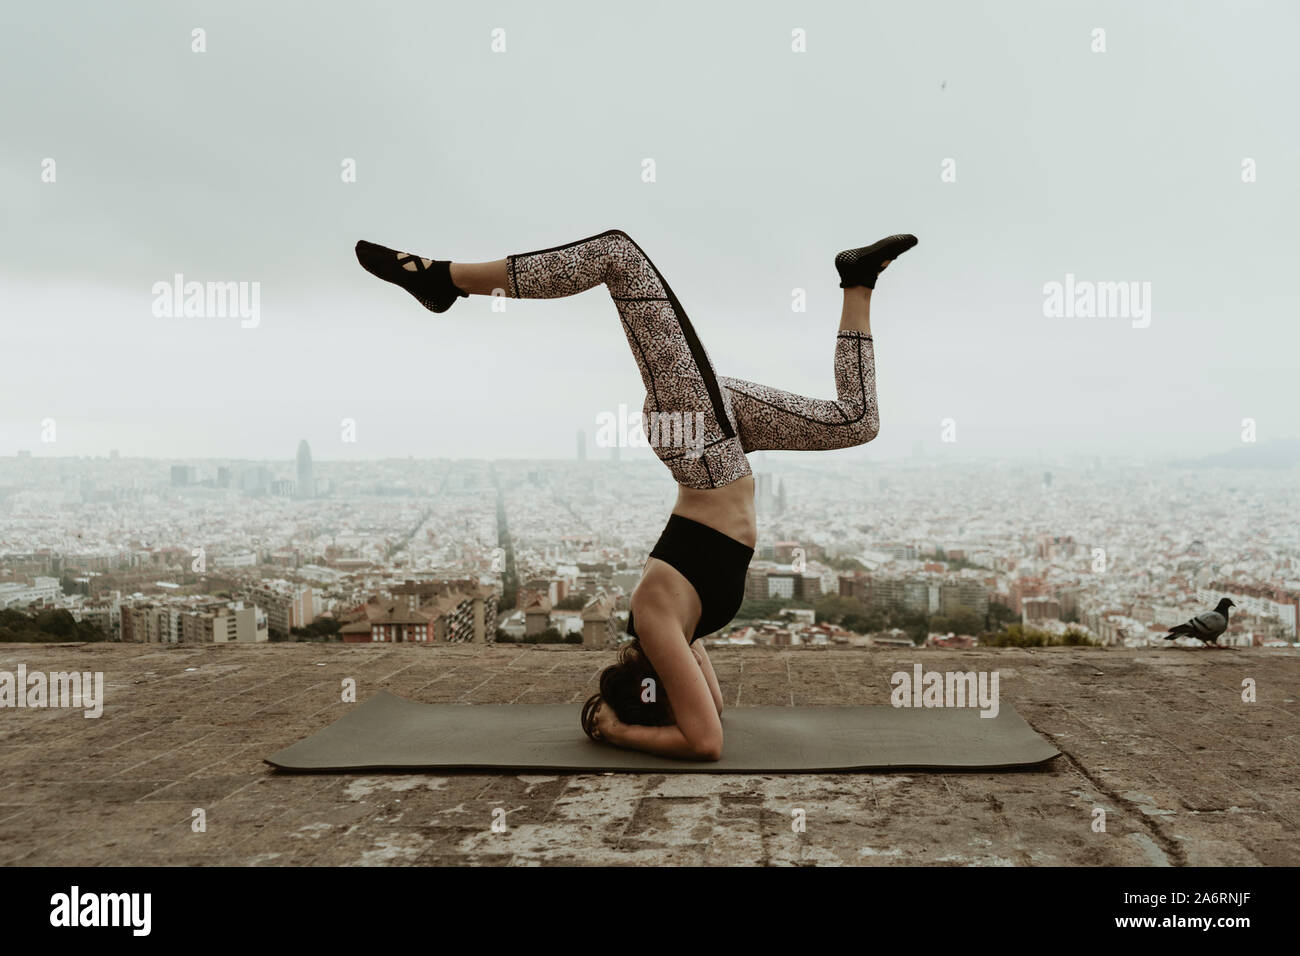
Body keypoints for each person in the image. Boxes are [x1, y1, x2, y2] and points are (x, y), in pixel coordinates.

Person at [355, 228, 917, 760]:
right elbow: (709, 727)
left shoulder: (653, 619)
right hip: (714, 438)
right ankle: (857, 280)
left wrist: (615, 728)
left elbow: (703, 737)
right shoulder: (678, 632)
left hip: (697, 438)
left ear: (656, 682)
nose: (690, 686)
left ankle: (443, 279)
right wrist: (626, 725)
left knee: (617, 255)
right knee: (856, 421)